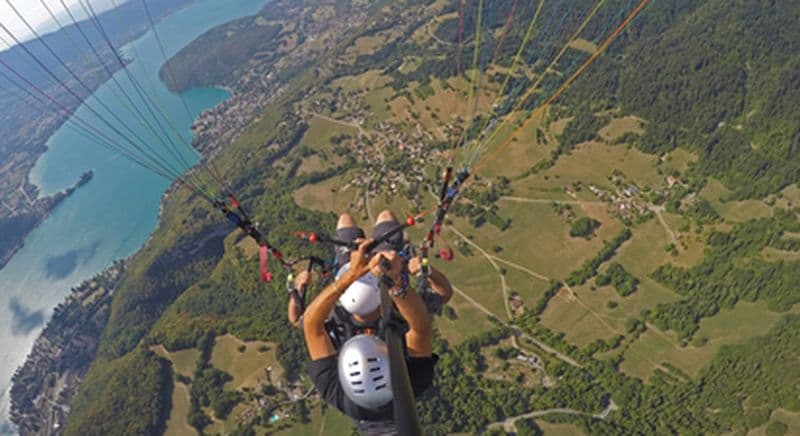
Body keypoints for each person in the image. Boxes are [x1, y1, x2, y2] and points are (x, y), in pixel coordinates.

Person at [301, 212, 441, 434]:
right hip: (372, 282)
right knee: (375, 217)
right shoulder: (338, 394)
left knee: (348, 221)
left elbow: (421, 329)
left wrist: (364, 276)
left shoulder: (411, 385)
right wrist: (389, 280)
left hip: (370, 281)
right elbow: (312, 325)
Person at [288, 211, 453, 328]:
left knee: (345, 220)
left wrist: (298, 289)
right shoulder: (400, 308)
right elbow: (444, 294)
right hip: (384, 264)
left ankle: (358, 261)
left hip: (356, 266)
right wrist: (426, 271)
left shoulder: (337, 316)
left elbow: (297, 320)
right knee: (385, 216)